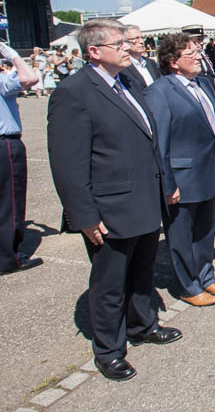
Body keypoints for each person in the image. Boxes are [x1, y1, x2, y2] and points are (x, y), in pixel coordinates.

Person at [47, 19, 181, 381]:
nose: (128, 47)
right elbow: (67, 161)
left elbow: (149, 140)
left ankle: (143, 325)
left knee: (142, 273)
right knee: (109, 283)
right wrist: (83, 215)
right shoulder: (75, 92)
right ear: (94, 51)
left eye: (127, 42)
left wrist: (163, 185)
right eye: (119, 43)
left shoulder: (129, 82)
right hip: (109, 208)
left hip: (143, 200)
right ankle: (109, 350)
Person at [144, 33, 215, 307]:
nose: (197, 57)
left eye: (198, 51)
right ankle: (187, 285)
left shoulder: (204, 83)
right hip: (181, 176)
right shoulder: (160, 91)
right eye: (190, 54)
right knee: (181, 236)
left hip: (206, 171)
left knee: (205, 231)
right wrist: (167, 184)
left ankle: (206, 276)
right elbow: (160, 144)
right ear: (172, 62)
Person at [0, 41, 42, 276]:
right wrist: (12, 54)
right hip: (5, 143)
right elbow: (29, 78)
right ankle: (9, 258)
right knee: (10, 202)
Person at [182, 25, 215, 207]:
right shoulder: (191, 60)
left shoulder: (205, 59)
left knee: (213, 149)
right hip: (196, 107)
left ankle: (212, 191)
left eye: (201, 40)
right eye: (196, 41)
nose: (200, 43)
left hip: (209, 104)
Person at [119, 25, 161, 89]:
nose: (141, 42)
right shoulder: (122, 68)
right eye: (136, 38)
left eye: (141, 38)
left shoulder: (150, 63)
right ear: (125, 42)